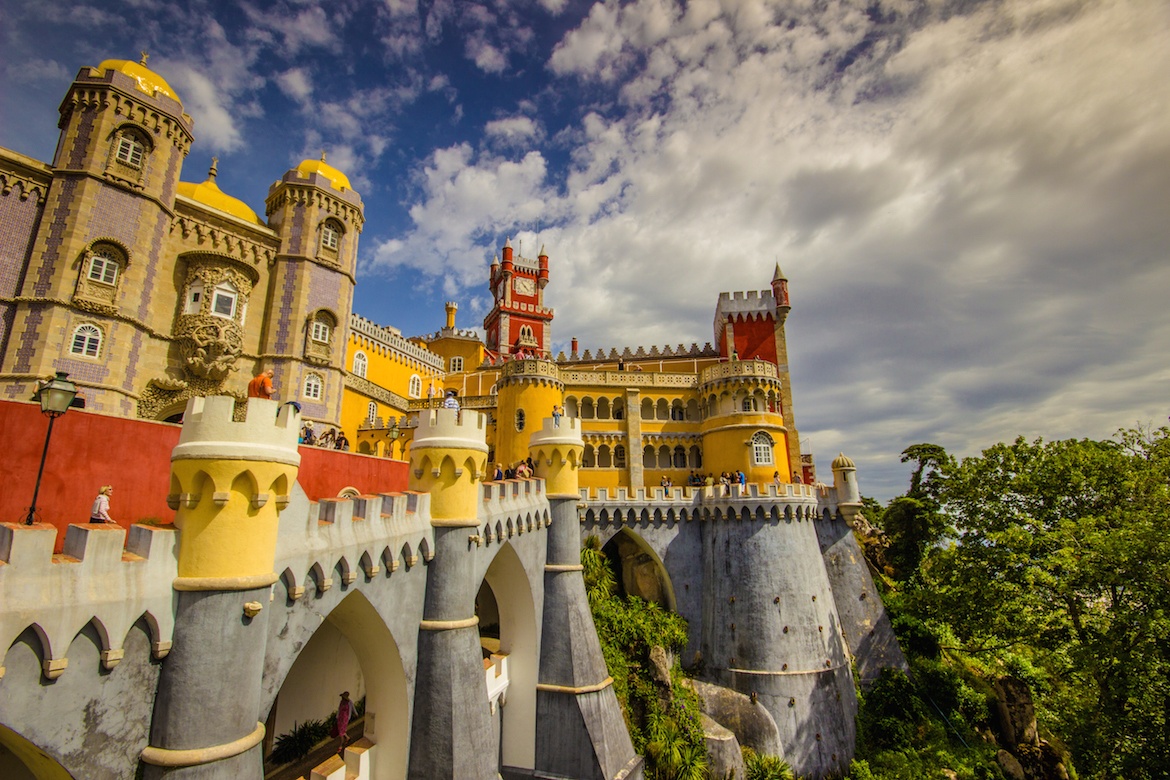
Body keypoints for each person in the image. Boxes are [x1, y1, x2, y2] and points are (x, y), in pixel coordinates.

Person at [335, 691, 356, 756]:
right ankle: (347, 738)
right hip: (340, 718)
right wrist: (337, 716)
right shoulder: (342, 702)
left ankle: (340, 745)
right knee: (341, 730)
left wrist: (356, 714)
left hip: (345, 718)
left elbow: (353, 708)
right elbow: (339, 709)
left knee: (341, 733)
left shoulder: (349, 703)